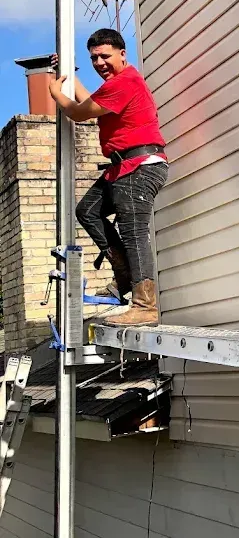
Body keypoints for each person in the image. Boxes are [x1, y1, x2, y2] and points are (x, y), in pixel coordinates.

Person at [48, 28, 168, 327]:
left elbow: (78, 112)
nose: (99, 62)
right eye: (94, 58)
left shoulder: (125, 82)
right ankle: (126, 277)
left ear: (122, 54)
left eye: (105, 56)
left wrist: (55, 94)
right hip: (122, 166)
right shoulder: (116, 85)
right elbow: (91, 104)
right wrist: (69, 76)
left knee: (133, 231)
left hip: (139, 165)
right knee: (87, 211)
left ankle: (145, 305)